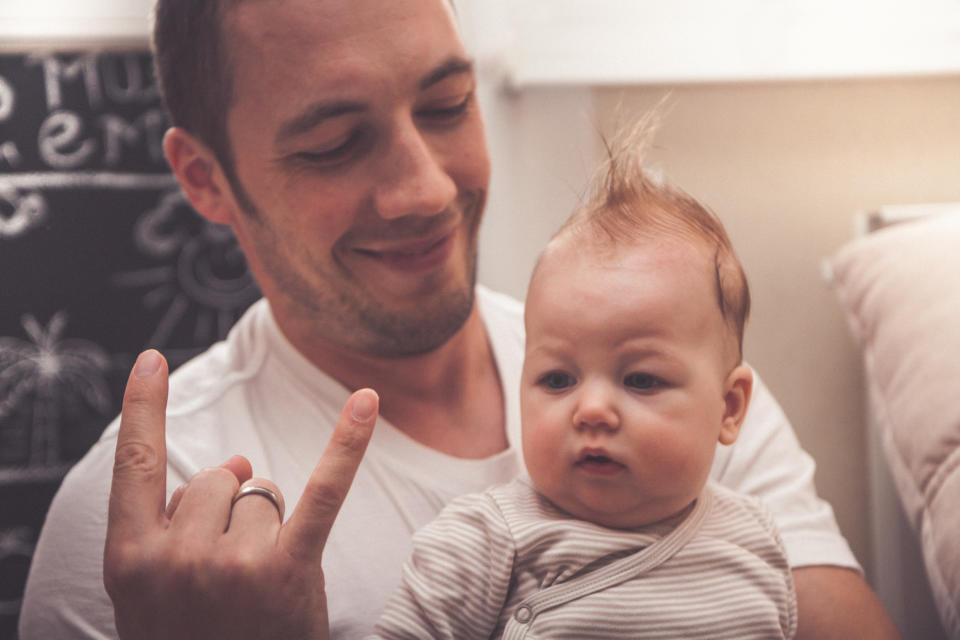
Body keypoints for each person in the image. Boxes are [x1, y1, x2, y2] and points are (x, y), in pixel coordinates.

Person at [18, 0, 898, 638]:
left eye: (446, 107)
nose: (428, 189)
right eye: (334, 144)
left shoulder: (672, 374)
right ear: (205, 177)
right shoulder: (145, 528)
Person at [372, 123, 798, 639]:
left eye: (640, 379)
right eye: (557, 379)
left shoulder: (754, 539)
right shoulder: (487, 541)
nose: (591, 409)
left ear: (730, 408)